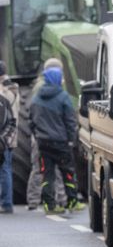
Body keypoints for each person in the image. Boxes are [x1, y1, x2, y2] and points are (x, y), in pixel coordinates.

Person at [30, 66, 84, 214]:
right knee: (67, 172)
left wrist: (38, 136)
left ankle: (49, 205)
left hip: (43, 143)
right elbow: (70, 121)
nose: (62, 80)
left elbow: (31, 122)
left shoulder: (36, 98)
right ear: (56, 79)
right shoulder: (63, 97)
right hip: (61, 143)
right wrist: (71, 140)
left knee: (47, 174)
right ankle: (72, 202)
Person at [26, 57, 67, 210]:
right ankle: (58, 198)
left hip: (40, 134)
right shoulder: (51, 86)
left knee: (39, 167)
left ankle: (34, 199)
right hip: (48, 134)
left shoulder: (40, 86)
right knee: (51, 167)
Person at [0, 60, 19, 214]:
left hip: (4, 136)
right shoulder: (13, 87)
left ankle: (6, 203)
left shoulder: (5, 90)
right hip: (10, 135)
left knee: (4, 168)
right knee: (6, 168)